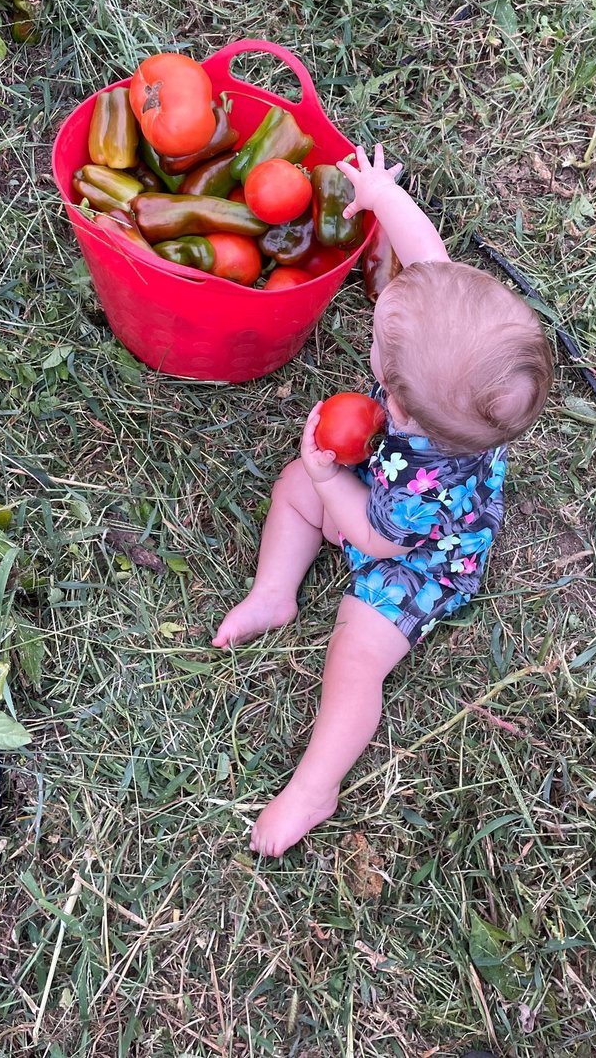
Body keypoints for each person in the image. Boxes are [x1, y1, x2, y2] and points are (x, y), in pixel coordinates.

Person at [213, 143, 554, 856]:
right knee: (292, 488)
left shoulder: (423, 482)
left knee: (356, 654)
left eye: (378, 345)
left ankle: (316, 785)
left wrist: (329, 478)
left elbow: (374, 538)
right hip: (382, 495)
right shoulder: (446, 349)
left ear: (397, 405)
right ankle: (273, 594)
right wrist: (381, 195)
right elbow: (427, 258)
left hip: (418, 555)